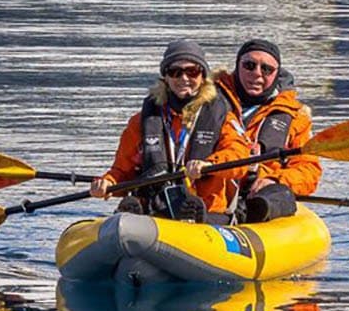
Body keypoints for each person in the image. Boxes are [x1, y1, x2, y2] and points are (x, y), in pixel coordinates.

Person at [92, 39, 254, 222]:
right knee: (135, 208)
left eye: (192, 72)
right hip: (157, 210)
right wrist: (107, 183)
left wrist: (209, 165)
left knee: (199, 212)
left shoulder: (222, 117)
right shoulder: (141, 121)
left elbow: (240, 158)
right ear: (166, 78)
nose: (184, 79)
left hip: (207, 211)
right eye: (175, 72)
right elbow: (122, 170)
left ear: (202, 77)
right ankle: (135, 216)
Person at [216, 37, 322, 223]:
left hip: (261, 194)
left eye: (266, 69)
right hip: (217, 187)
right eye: (249, 65)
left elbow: (308, 170)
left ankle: (252, 212)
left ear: (276, 74)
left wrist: (275, 179)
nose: (257, 74)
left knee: (280, 195)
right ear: (237, 66)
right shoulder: (209, 103)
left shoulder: (295, 116)